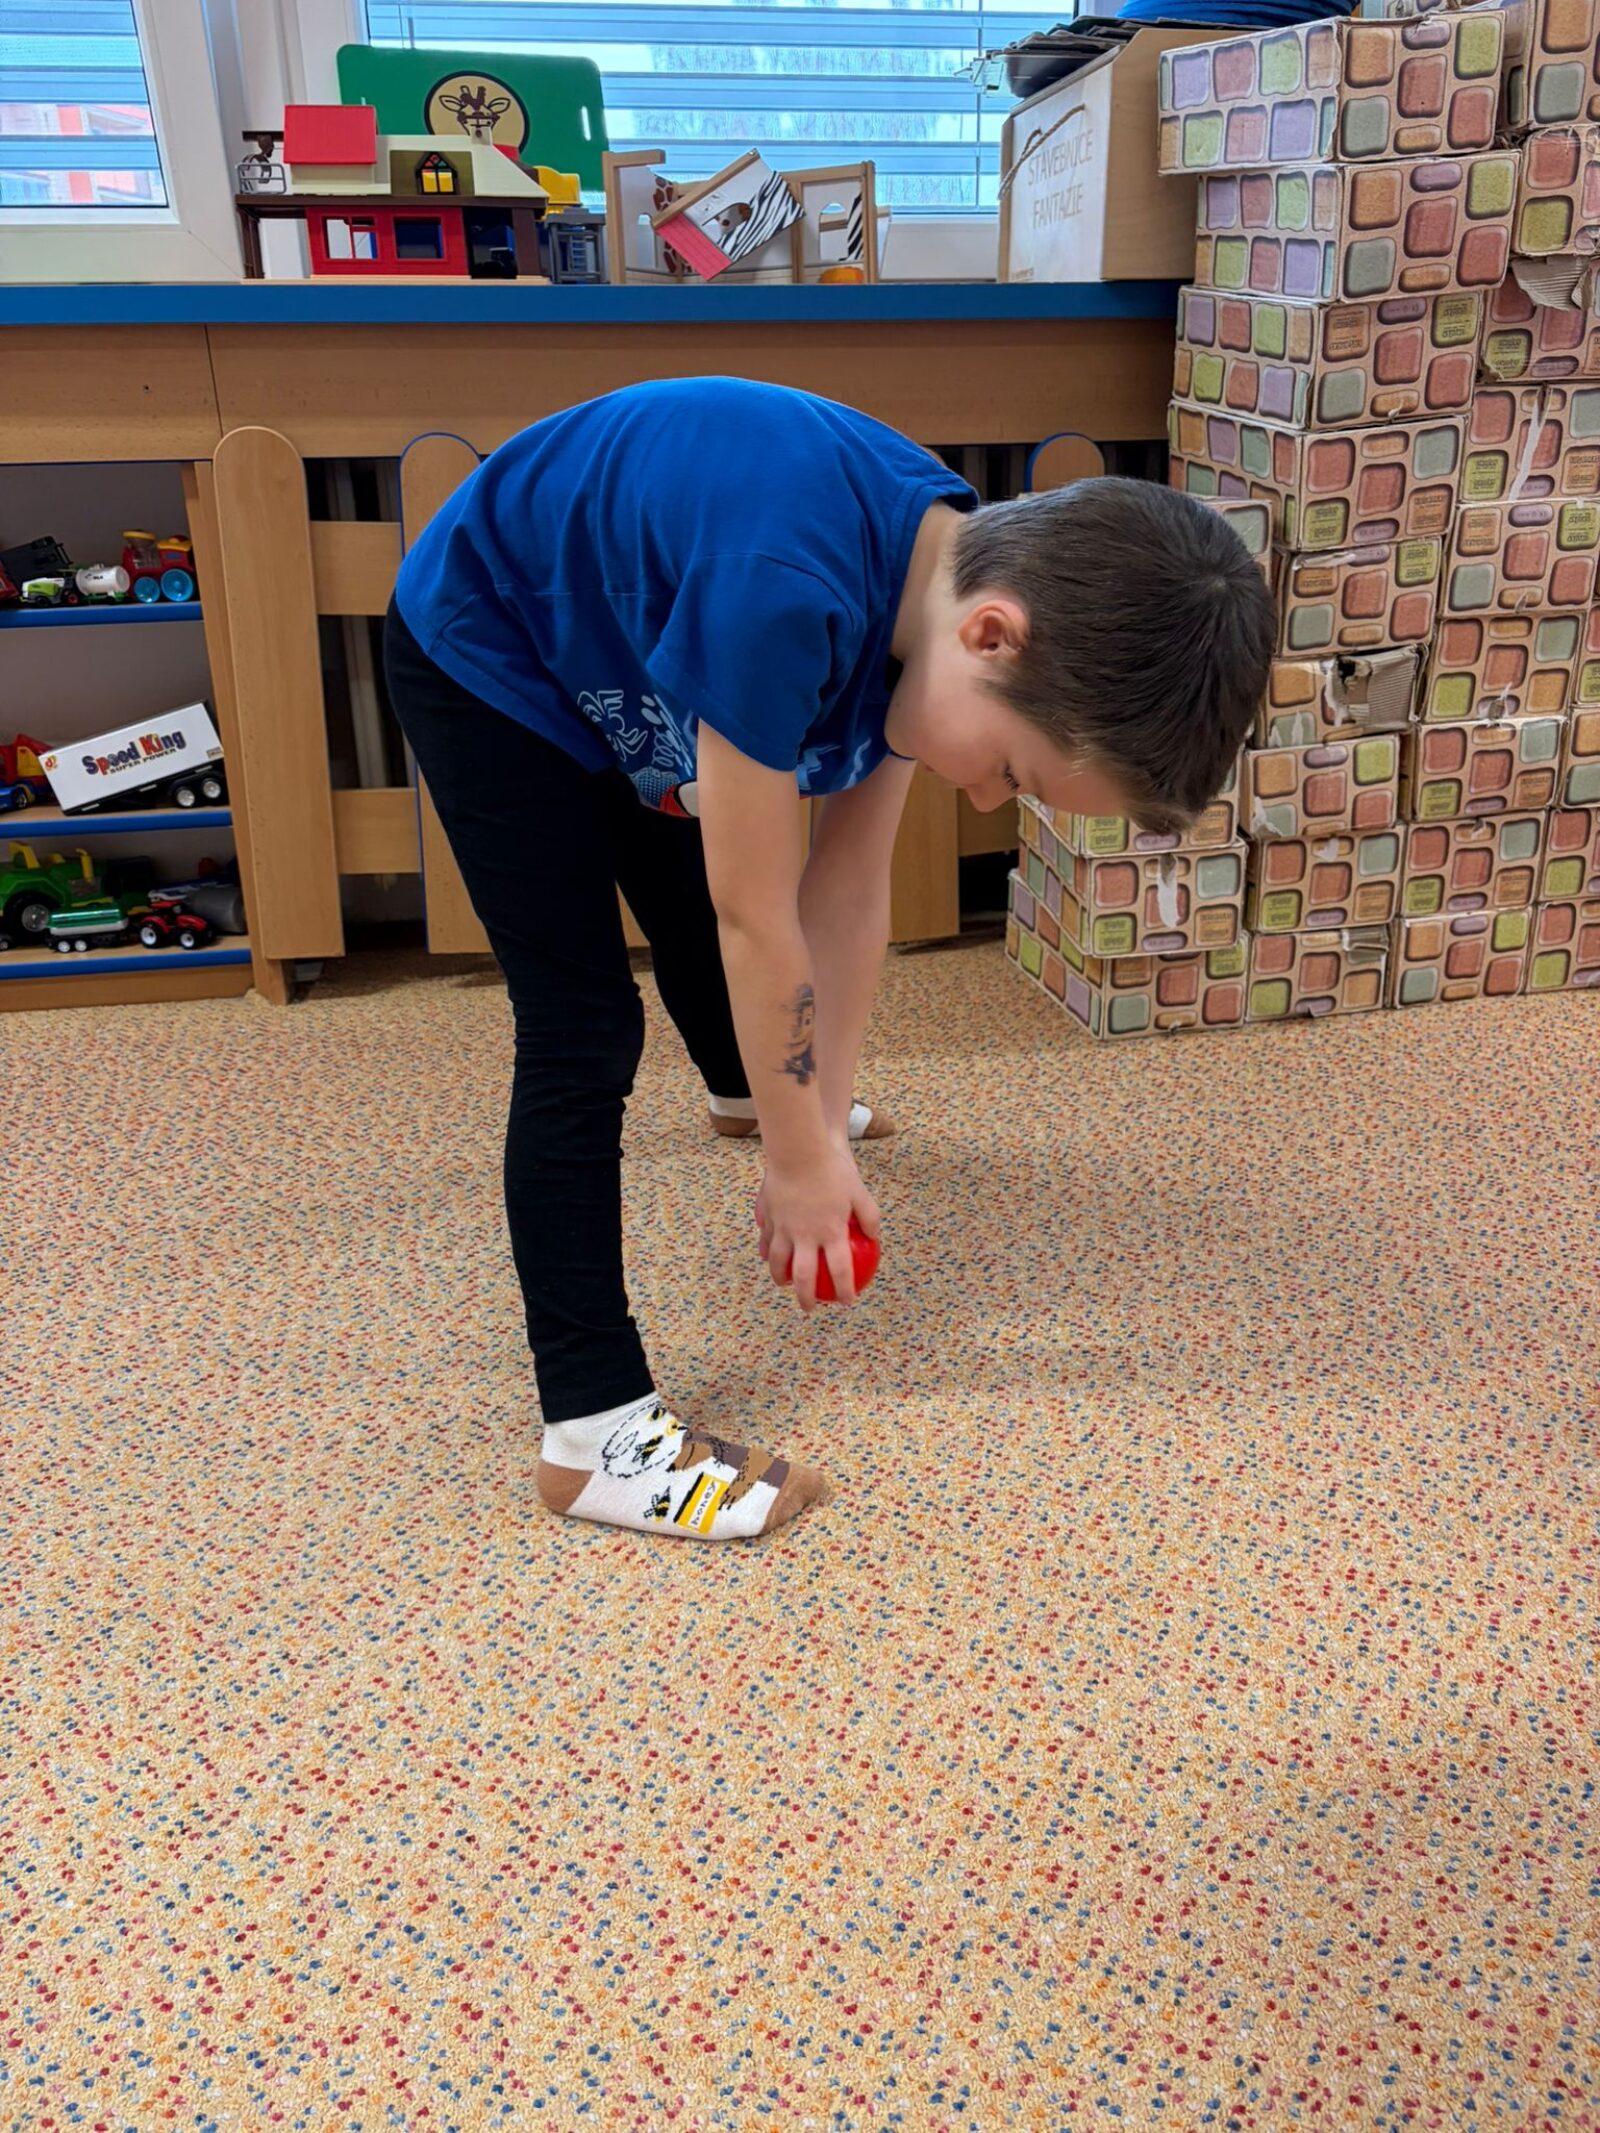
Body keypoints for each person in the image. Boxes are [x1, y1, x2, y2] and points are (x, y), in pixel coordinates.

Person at [384, 376, 1274, 1545]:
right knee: (585, 1025)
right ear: (991, 635)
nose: (983, 797)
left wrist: (816, 1114)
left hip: (624, 621)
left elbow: (846, 896)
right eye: (1011, 771)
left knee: (696, 889)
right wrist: (801, 1160)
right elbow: (759, 917)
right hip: (487, 644)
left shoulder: (942, 583)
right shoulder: (783, 594)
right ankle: (591, 1438)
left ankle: (744, 1092)